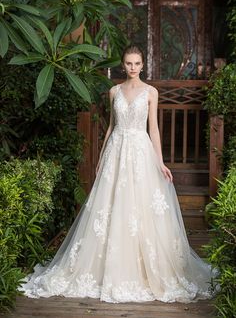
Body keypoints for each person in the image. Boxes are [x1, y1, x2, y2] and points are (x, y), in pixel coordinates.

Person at [20, 45, 217, 303]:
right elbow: (111, 127)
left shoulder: (151, 92)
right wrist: (102, 158)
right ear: (122, 65)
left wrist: (161, 162)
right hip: (116, 151)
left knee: (140, 209)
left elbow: (154, 129)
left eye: (136, 63)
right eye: (128, 63)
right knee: (110, 207)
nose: (132, 67)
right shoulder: (113, 91)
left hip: (140, 152)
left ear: (143, 65)